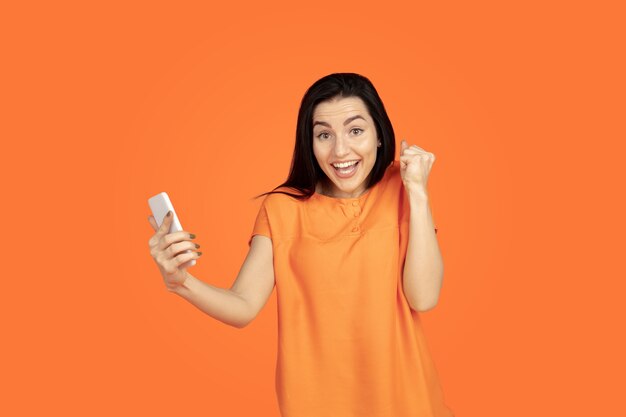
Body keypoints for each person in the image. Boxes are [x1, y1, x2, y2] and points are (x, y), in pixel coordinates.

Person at [147, 73, 454, 417]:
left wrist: (418, 192)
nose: (340, 150)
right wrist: (181, 283)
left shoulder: (403, 188)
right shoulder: (282, 209)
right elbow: (243, 305)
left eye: (356, 131)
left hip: (411, 405)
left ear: (380, 135)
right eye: (324, 134)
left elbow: (424, 297)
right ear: (309, 143)